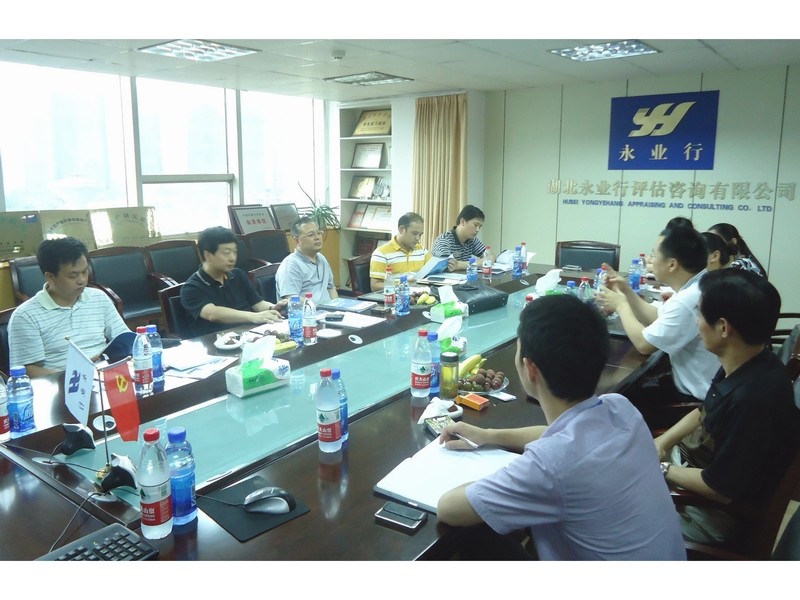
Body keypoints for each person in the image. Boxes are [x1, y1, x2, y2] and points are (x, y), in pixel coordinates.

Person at [436, 294, 685, 560]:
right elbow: (560, 439)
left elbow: (448, 508)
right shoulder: (620, 407)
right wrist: (487, 436)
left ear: (530, 369)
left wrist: (507, 482)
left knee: (479, 537)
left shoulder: (549, 467)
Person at [654, 269, 799, 547]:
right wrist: (661, 442)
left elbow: (718, 488)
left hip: (709, 515)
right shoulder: (751, 360)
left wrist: (661, 468)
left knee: (609, 511)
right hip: (692, 466)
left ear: (723, 327)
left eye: (700, 315)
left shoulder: (752, 401)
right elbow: (703, 412)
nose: (697, 322)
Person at [596, 225, 719, 402]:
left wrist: (621, 306)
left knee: (615, 395)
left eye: (654, 254)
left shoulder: (688, 300)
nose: (649, 259)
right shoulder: (698, 285)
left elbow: (644, 345)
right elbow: (658, 317)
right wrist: (626, 290)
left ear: (672, 264)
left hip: (693, 397)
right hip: (699, 384)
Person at [8, 237, 131, 377]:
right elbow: (26, 370)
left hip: (105, 376)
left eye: (84, 272)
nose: (82, 280)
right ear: (50, 277)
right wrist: (76, 375)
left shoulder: (99, 298)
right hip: (61, 384)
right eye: (73, 276)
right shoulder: (25, 316)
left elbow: (123, 338)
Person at [181, 226, 285, 337]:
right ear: (208, 255)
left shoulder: (238, 275)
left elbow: (257, 303)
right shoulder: (192, 287)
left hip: (248, 335)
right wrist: (254, 316)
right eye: (226, 253)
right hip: (214, 341)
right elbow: (212, 313)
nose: (232, 258)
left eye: (234, 252)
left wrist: (273, 308)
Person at [275, 217, 338, 304]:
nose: (317, 237)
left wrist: (337, 306)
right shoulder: (290, 265)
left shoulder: (322, 259)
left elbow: (331, 288)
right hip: (307, 311)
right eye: (311, 235)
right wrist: (313, 308)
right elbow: (291, 298)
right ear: (297, 241)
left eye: (319, 233)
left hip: (329, 310)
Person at [368, 212, 432, 292]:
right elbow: (375, 286)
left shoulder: (422, 251)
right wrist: (402, 284)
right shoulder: (381, 253)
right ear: (402, 230)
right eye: (415, 234)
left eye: (420, 235)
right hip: (397, 296)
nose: (418, 238)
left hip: (420, 294)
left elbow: (433, 274)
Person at [431, 205, 486, 271]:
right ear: (462, 221)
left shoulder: (472, 240)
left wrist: (459, 265)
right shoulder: (444, 240)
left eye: (480, 227)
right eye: (475, 225)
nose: (477, 230)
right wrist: (477, 263)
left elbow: (490, 256)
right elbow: (447, 265)